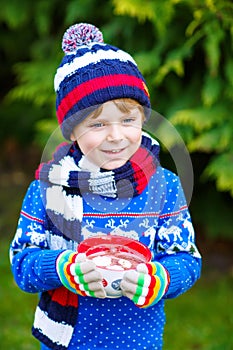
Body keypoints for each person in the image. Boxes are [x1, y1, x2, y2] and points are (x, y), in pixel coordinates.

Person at [9, 23, 201, 350]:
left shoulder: (164, 186)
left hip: (138, 339)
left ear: (143, 118)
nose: (115, 135)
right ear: (71, 131)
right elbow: (22, 263)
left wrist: (160, 279)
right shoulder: (48, 188)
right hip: (68, 340)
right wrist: (61, 267)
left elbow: (186, 259)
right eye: (97, 124)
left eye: (128, 120)